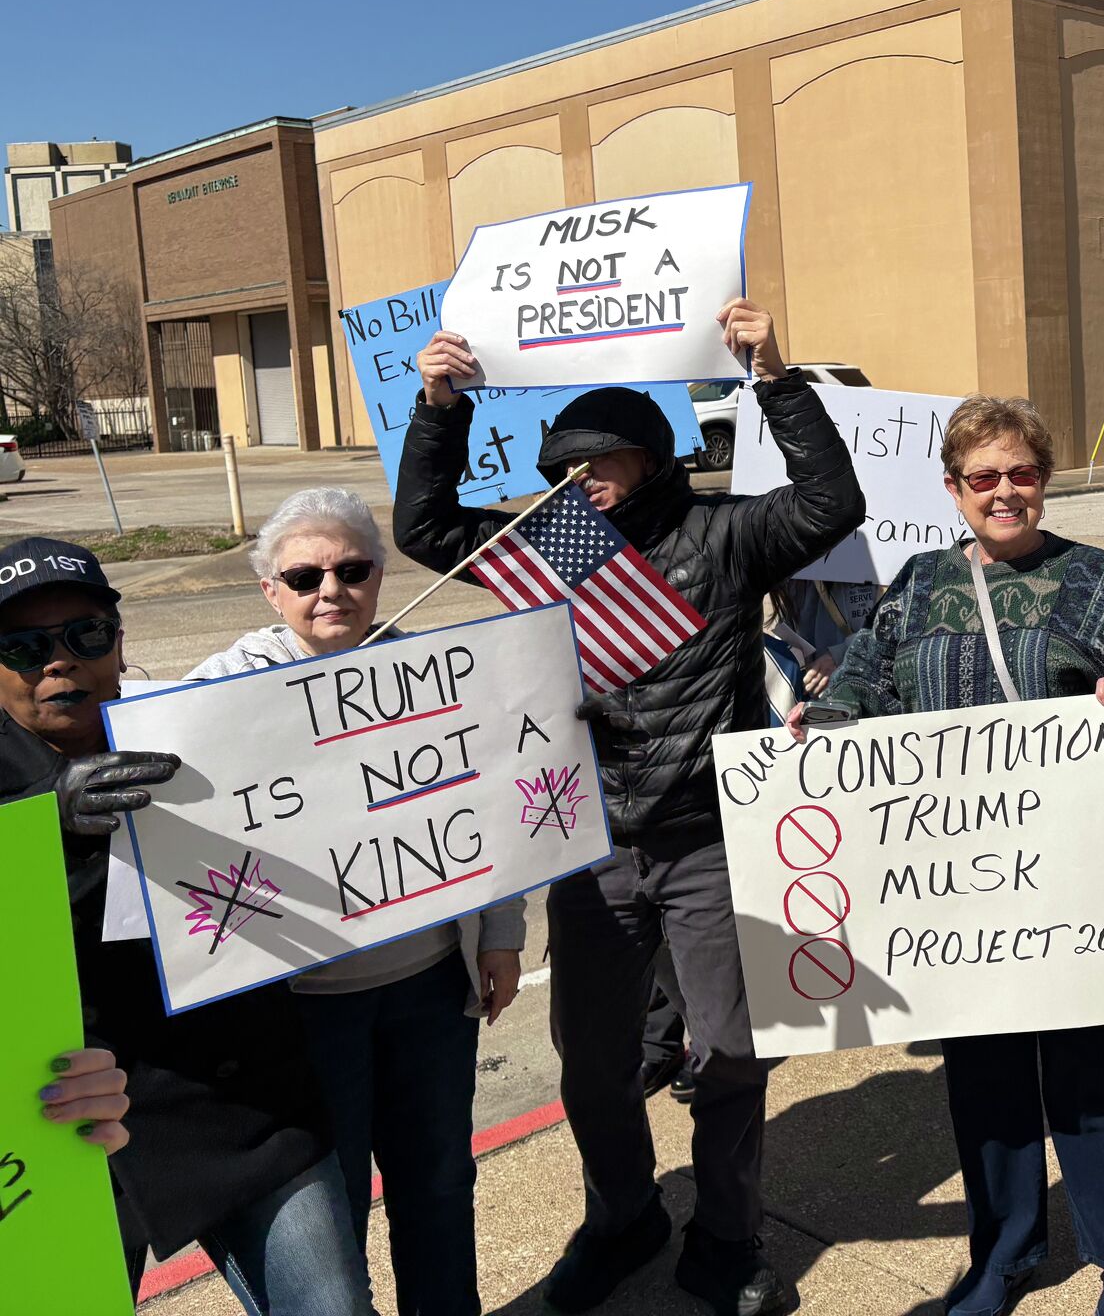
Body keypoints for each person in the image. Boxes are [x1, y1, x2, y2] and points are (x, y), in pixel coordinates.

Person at [394, 300, 862, 1316]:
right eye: (565, 464)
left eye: (602, 460)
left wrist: (776, 380)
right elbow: (425, 529)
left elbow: (830, 508)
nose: (581, 479)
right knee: (595, 1064)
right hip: (590, 843)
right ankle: (621, 1217)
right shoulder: (553, 543)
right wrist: (439, 409)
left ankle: (728, 1239)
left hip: (708, 839)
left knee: (732, 1050)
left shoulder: (725, 536)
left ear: (653, 458)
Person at [799, 395, 1104, 1316]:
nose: (1004, 492)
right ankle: (1004, 1252)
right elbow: (862, 684)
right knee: (985, 1072)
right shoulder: (920, 584)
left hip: (1073, 871)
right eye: (984, 478)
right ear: (953, 489)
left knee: (1092, 1066)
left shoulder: (1093, 578)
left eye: (1022, 474)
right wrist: (824, 721)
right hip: (958, 885)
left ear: (1042, 481)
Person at [0, 536, 373, 1316]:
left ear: (119, 640)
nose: (59, 662)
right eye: (23, 647)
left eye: (85, 635)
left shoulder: (203, 730)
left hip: (245, 1105)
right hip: (71, 1130)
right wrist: (48, 832)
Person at [188, 489, 525, 1316]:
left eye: (351, 569)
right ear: (270, 589)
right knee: (332, 1215)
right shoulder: (217, 690)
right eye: (303, 575)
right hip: (302, 1010)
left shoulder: (437, 678)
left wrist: (502, 935)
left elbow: (497, 811)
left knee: (440, 1181)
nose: (329, 589)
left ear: (380, 576)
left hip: (428, 988)